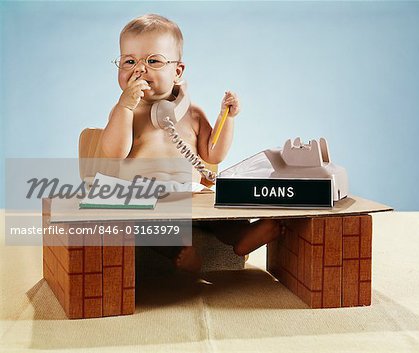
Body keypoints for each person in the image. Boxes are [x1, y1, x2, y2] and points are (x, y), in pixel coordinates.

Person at [102, 14, 284, 272]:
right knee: (145, 225)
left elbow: (213, 154)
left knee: (219, 210)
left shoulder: (192, 114)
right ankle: (181, 253)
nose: (139, 69)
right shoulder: (125, 113)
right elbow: (113, 153)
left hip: (190, 193)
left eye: (153, 61)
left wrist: (226, 118)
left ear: (177, 72)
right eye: (129, 61)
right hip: (144, 198)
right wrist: (124, 106)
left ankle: (242, 236)